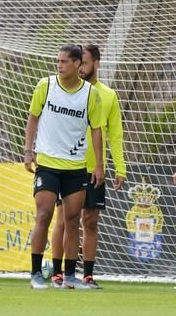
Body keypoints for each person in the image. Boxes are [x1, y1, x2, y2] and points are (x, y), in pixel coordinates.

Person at [24, 44, 104, 290]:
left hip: (76, 167)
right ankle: (36, 273)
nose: (59, 65)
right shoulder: (45, 86)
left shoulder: (90, 94)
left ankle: (70, 277)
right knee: (44, 214)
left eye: (64, 61)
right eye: (57, 61)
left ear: (78, 64)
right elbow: (33, 117)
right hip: (47, 163)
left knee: (72, 220)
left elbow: (97, 130)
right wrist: (29, 150)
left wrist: (99, 164)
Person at [49, 44, 126, 289]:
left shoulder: (108, 95)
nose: (80, 67)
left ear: (97, 63)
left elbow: (114, 134)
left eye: (84, 62)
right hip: (69, 165)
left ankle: (88, 275)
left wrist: (120, 168)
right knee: (63, 219)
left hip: (94, 168)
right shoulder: (66, 91)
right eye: (78, 62)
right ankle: (57, 273)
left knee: (90, 221)